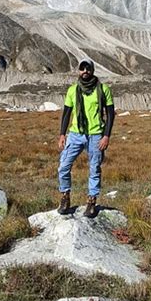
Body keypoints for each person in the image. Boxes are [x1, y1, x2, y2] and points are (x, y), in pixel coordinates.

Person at [57, 58, 115, 217]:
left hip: (96, 135)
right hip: (75, 135)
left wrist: (106, 136)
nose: (85, 71)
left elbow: (110, 114)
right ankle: (65, 196)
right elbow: (67, 113)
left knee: (94, 168)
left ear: (93, 70)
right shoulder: (72, 90)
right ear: (78, 71)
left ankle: (91, 200)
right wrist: (63, 134)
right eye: (82, 68)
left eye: (88, 68)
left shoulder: (103, 89)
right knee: (63, 166)